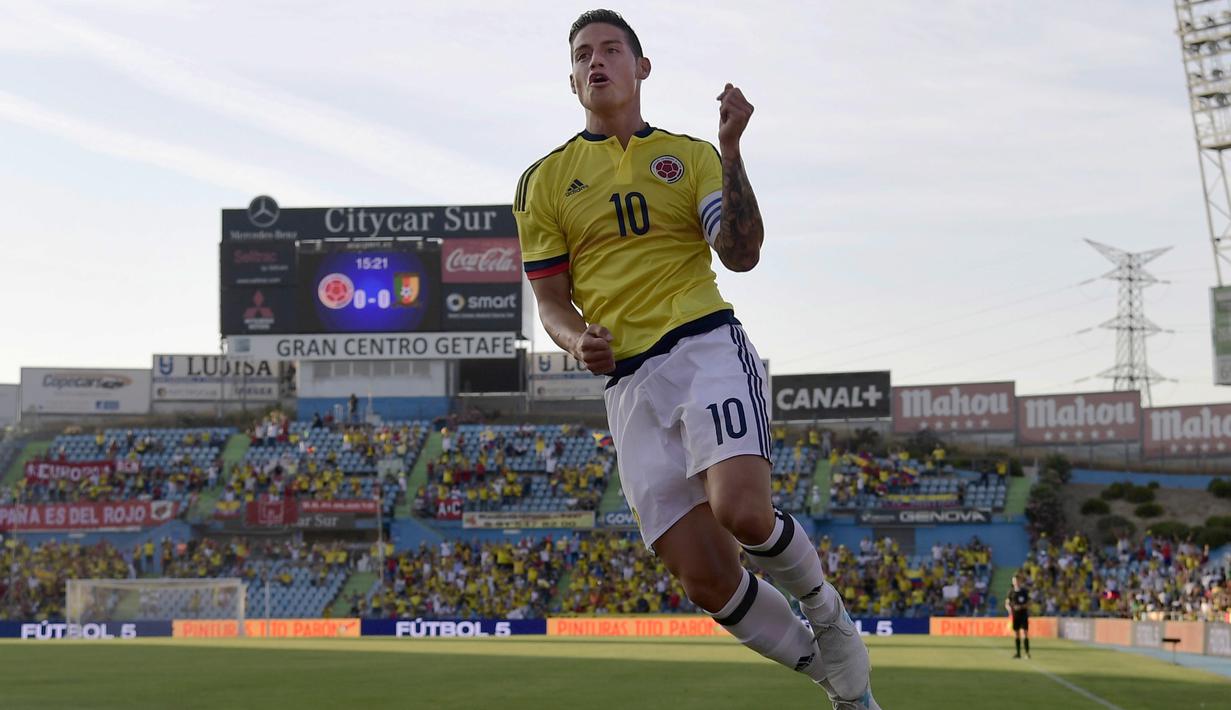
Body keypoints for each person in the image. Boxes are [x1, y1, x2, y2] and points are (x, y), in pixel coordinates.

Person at [515, 9, 876, 708]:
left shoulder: (690, 157)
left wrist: (732, 147)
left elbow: (739, 255)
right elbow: (551, 303)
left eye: (611, 49)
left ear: (640, 68)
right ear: (570, 79)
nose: (597, 61)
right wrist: (573, 340)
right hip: (626, 385)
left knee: (742, 512)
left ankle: (830, 616)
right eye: (583, 53)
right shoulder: (544, 181)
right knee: (708, 582)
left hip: (702, 346)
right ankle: (844, 689)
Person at [1006, 573, 1031, 659]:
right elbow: (1007, 603)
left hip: (1023, 614)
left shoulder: (1024, 591)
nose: (1016, 582)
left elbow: (1029, 603)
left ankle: (1027, 653)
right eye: (1014, 581)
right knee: (1016, 633)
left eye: (1017, 580)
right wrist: (1009, 610)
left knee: (1025, 632)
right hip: (1015, 615)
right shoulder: (1011, 592)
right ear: (1013, 582)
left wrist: (1020, 607)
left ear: (1020, 581)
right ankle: (1018, 653)